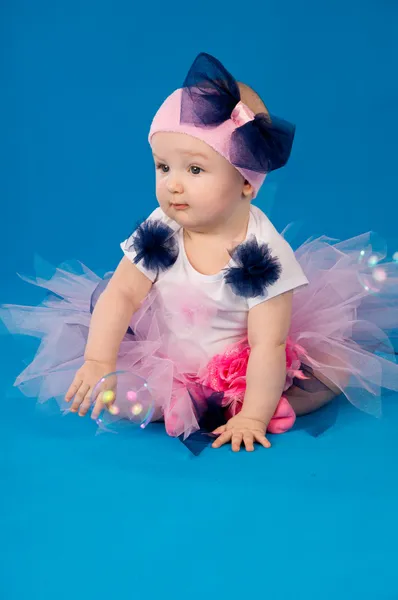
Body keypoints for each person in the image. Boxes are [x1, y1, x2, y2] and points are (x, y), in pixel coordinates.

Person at [2, 52, 397, 453]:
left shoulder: (263, 253)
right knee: (119, 396)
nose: (173, 185)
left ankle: (256, 407)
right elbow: (120, 294)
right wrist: (99, 360)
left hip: (244, 365)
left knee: (328, 375)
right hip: (170, 358)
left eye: (194, 170)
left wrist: (253, 416)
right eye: (162, 167)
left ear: (246, 182)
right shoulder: (162, 227)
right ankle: (179, 402)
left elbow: (267, 346)